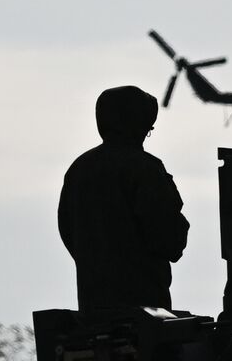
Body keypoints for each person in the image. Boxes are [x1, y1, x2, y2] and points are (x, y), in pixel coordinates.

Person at [58, 85, 189, 314]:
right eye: (147, 128)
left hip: (93, 310)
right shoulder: (144, 168)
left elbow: (68, 231)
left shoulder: (79, 170)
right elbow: (170, 241)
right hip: (144, 312)